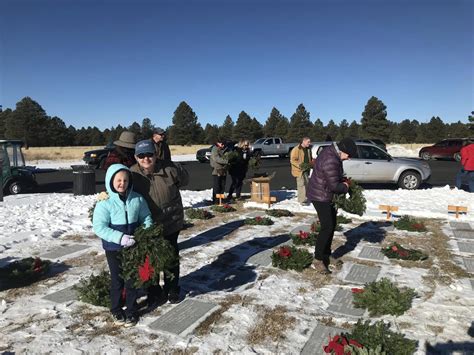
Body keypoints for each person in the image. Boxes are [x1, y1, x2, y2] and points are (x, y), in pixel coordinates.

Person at [92, 164, 153, 326]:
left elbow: (146, 217)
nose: (122, 183)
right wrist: (120, 238)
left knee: (132, 279)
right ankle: (116, 309)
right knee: (117, 279)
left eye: (125, 180)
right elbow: (99, 227)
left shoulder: (137, 199)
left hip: (134, 246)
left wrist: (145, 231)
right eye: (118, 180)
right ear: (111, 181)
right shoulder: (104, 203)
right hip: (114, 248)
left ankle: (132, 310)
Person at [131, 139, 189, 305]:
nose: (146, 159)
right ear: (136, 157)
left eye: (149, 154)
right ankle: (153, 290)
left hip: (171, 220)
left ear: (155, 155)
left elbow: (184, 181)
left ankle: (172, 288)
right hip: (147, 225)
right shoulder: (132, 174)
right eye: (141, 155)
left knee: (171, 255)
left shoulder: (170, 168)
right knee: (149, 259)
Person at [306, 138, 357, 274]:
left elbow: (333, 178)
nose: (349, 158)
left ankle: (326, 254)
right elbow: (334, 186)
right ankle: (317, 259)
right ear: (342, 151)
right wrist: (346, 186)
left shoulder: (333, 153)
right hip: (320, 196)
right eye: (348, 155)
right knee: (327, 226)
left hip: (326, 194)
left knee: (332, 224)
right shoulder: (331, 159)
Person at [290, 137, 312, 204]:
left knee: (307, 184)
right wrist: (300, 165)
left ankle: (307, 197)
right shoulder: (296, 149)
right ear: (304, 141)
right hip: (299, 170)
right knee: (301, 185)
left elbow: (309, 158)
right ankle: (302, 200)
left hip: (306, 169)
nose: (309, 143)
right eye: (308, 142)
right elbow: (292, 160)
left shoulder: (308, 149)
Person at [210, 137, 229, 204]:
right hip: (216, 170)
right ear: (218, 143)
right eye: (222, 144)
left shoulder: (225, 149)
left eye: (224, 144)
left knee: (222, 186)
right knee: (217, 186)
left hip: (223, 170)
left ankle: (221, 200)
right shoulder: (214, 149)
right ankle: (216, 201)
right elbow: (216, 158)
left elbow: (227, 156)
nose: (223, 145)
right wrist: (226, 161)